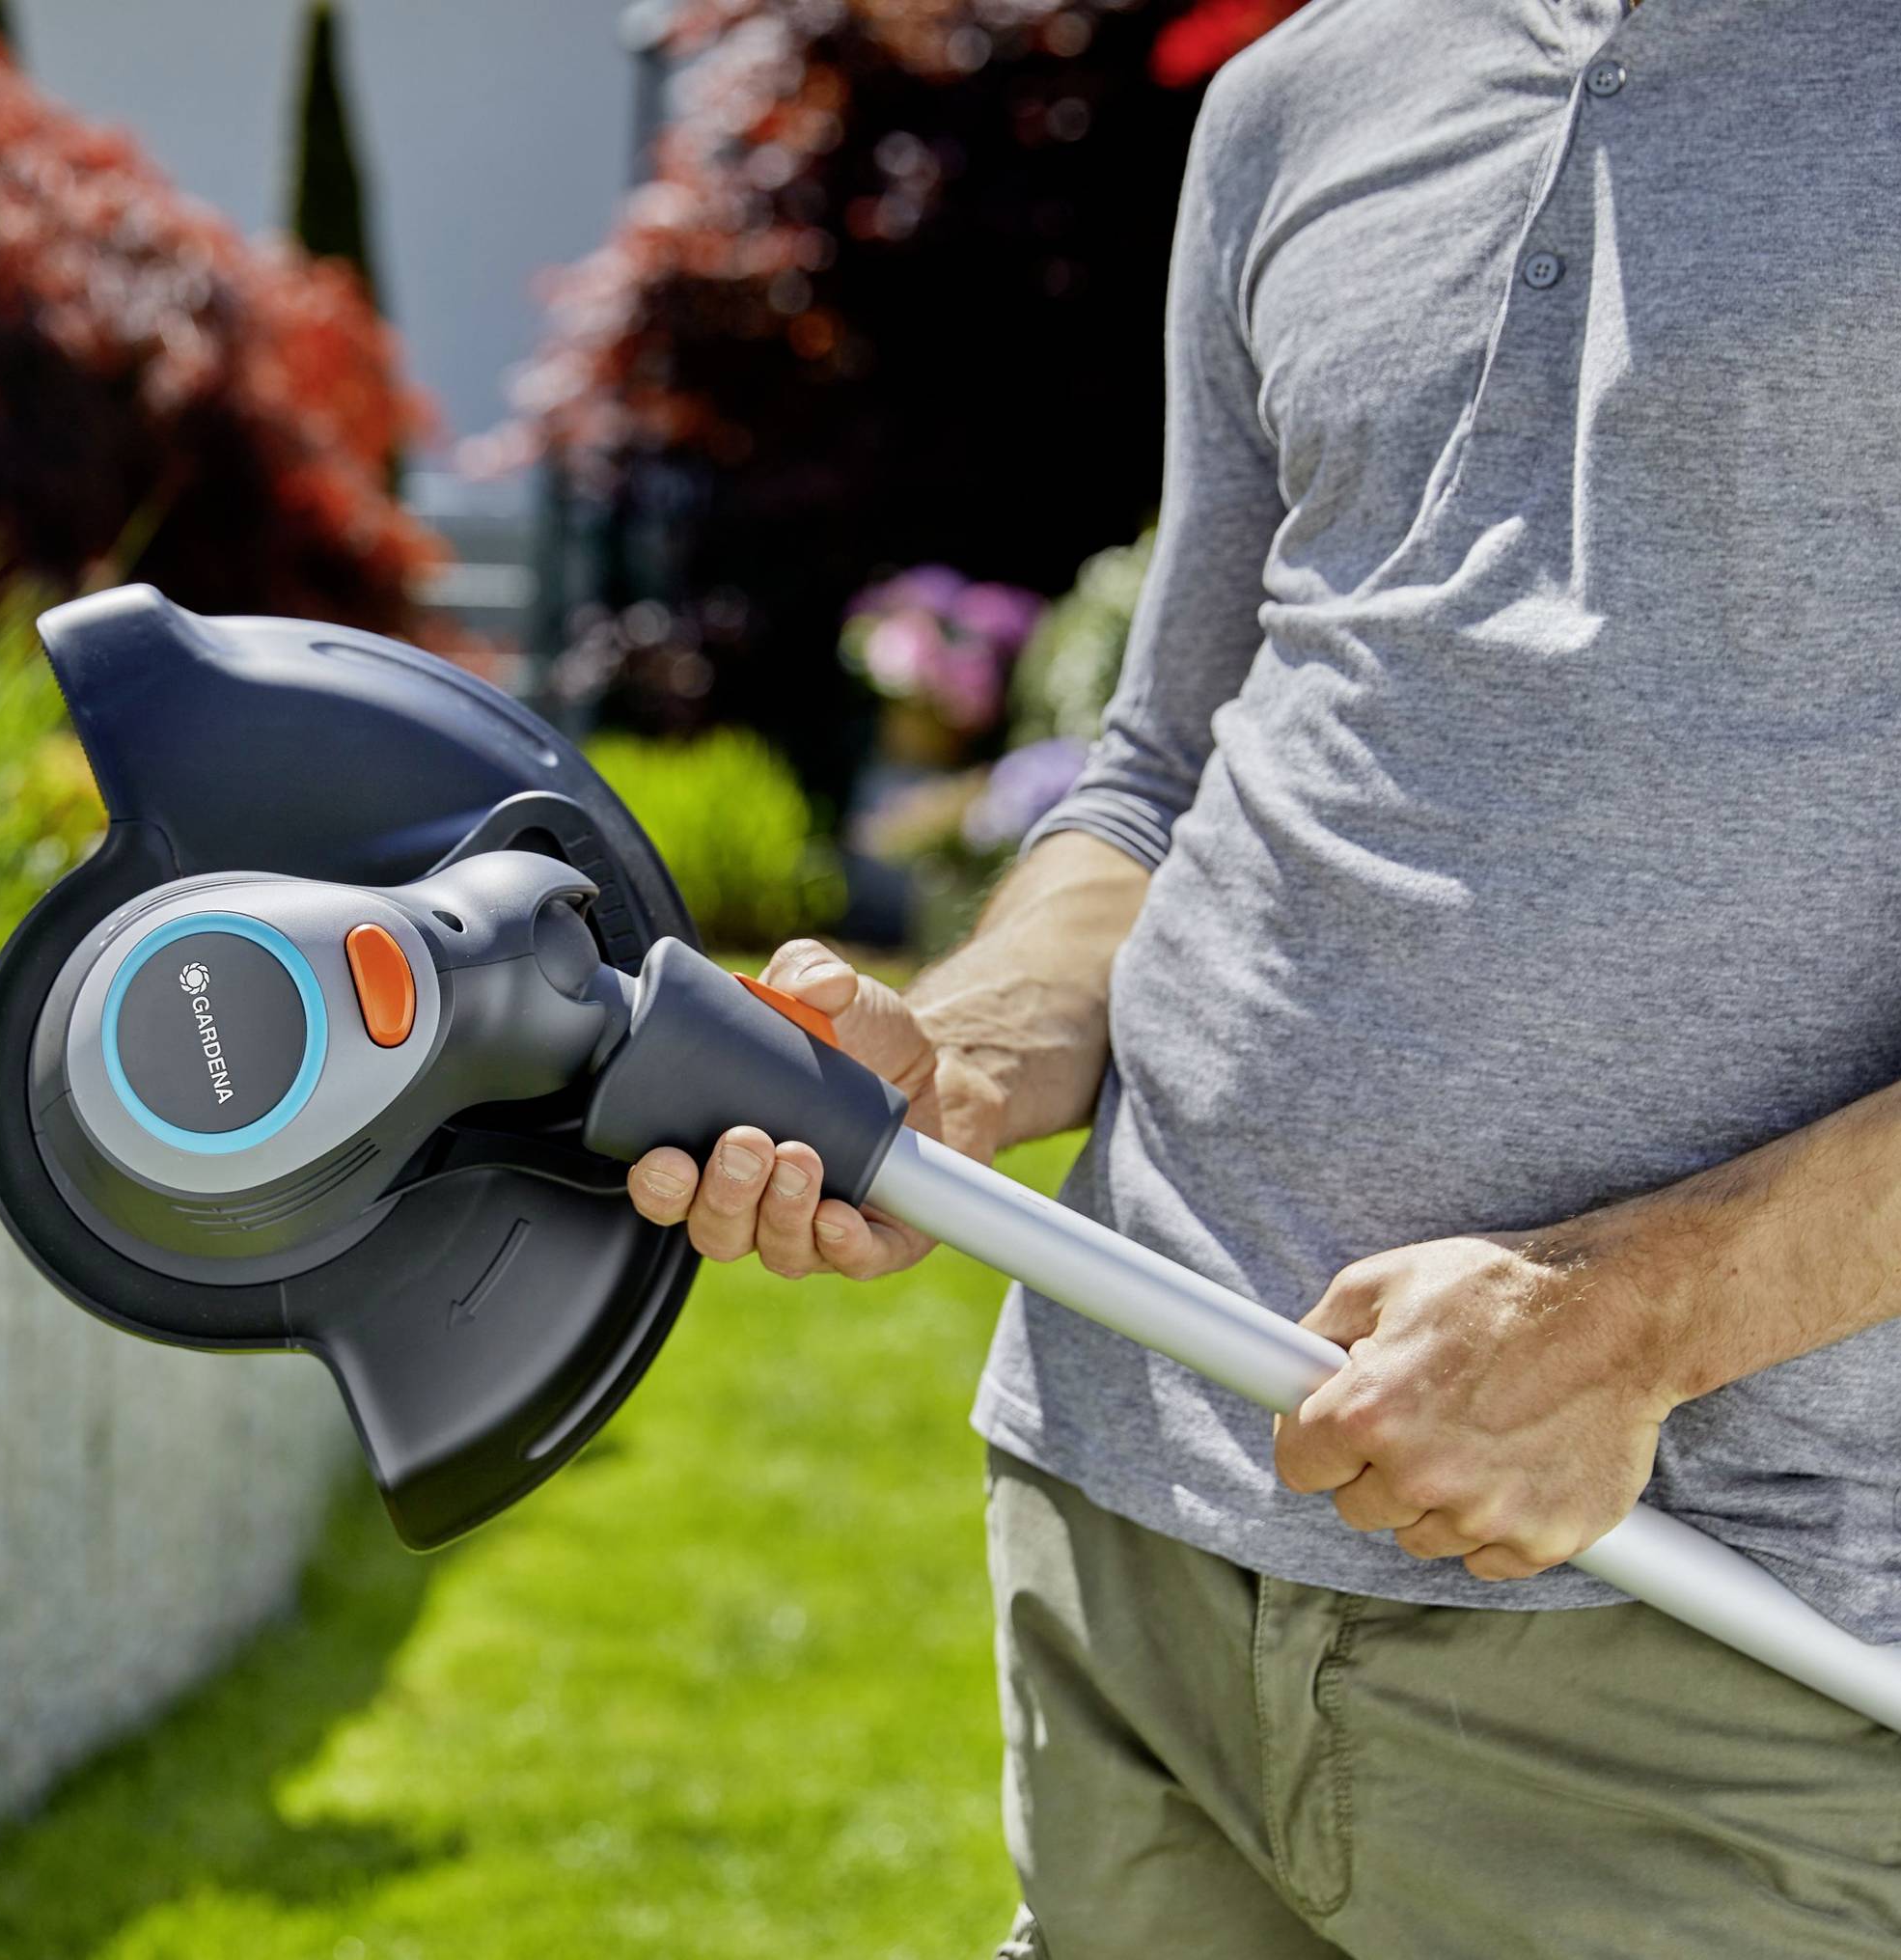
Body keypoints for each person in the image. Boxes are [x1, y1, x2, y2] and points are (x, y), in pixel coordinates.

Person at [625, 3, 1901, 1953]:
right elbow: (1165, 769)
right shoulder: (1303, 92)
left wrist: (1643, 1318)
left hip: (1712, 1624)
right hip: (1135, 1511)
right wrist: (955, 1054)